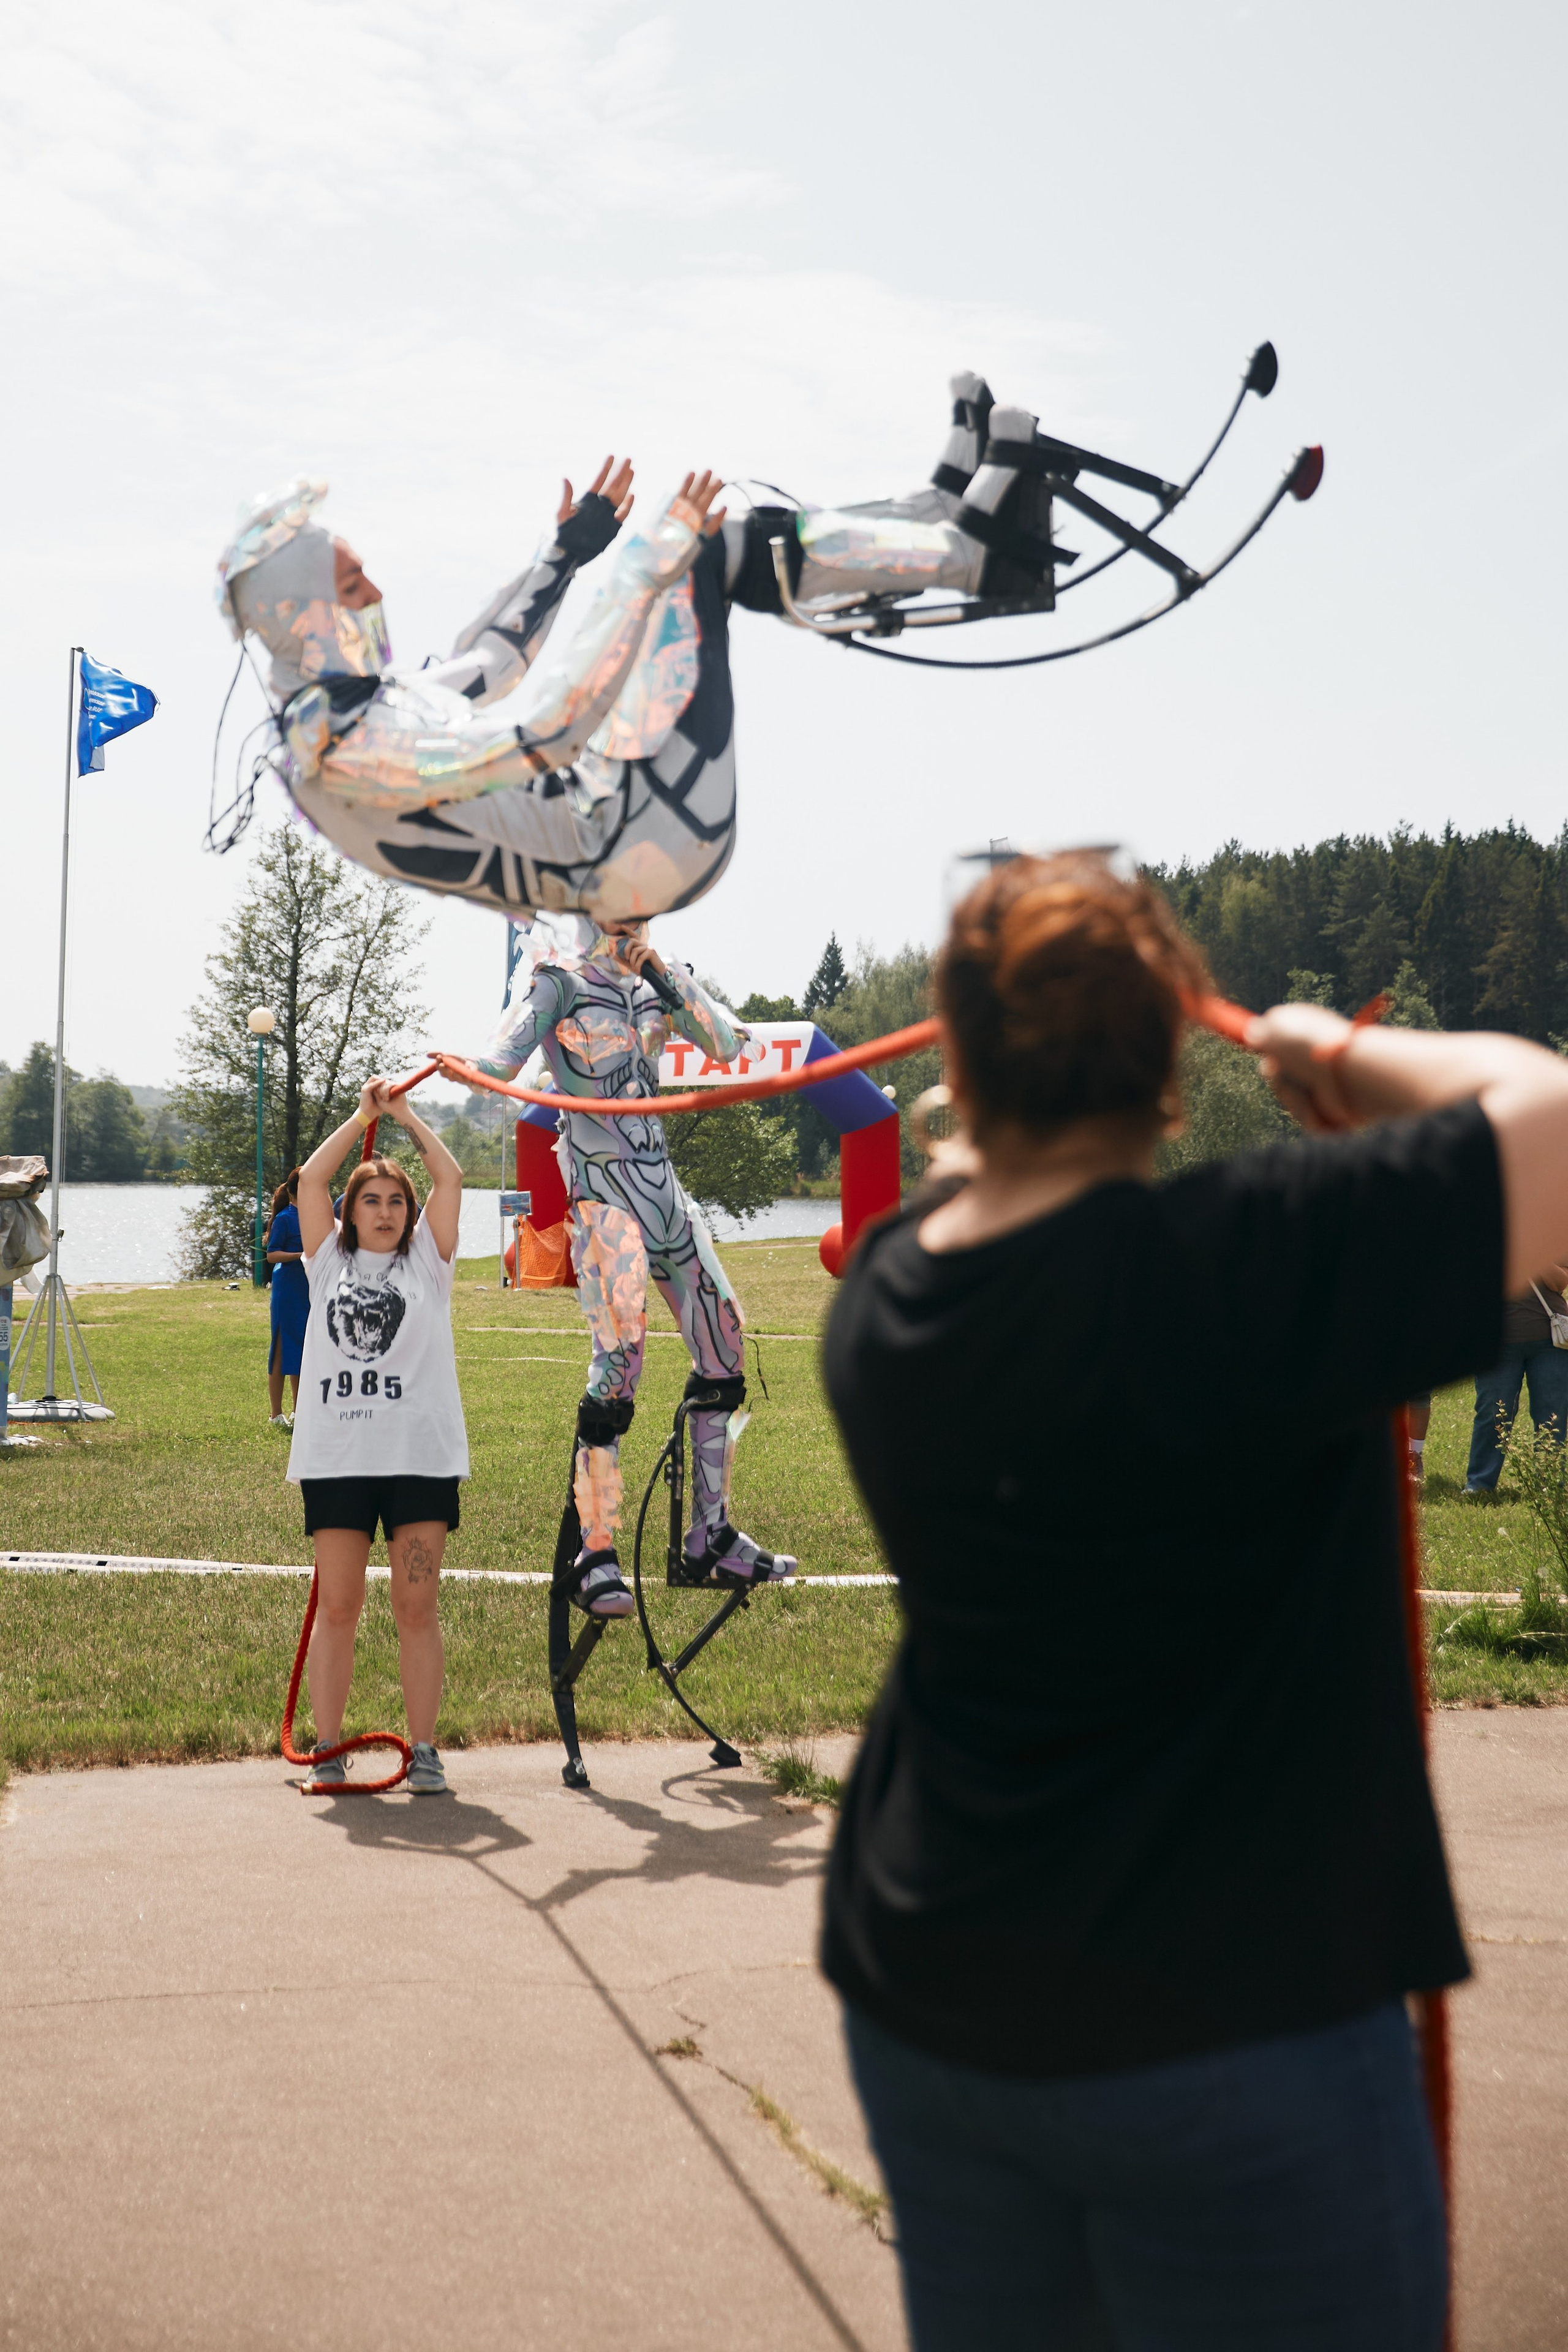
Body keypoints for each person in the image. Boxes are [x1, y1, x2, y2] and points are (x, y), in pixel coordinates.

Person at [820, 849, 1568, 2352]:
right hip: (1239, 2016)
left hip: (938, 1989)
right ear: (1167, 1064)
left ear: (960, 1067)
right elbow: (1542, 1112)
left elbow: (966, 1198)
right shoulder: (1255, 1257)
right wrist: (1329, 1047)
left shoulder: (883, 1304)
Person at [213, 377, 1058, 926]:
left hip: (625, 826)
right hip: (633, 846)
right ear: (303, 614)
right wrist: (638, 579)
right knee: (699, 552)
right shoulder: (347, 752)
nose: (376, 593)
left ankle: (931, 520)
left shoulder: (359, 710)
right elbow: (543, 734)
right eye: (353, 584)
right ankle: (973, 555)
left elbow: (494, 664)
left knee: (713, 541)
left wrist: (567, 553)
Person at [458, 912, 795, 1618]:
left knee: (725, 1345)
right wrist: (451, 1067)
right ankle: (595, 1550)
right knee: (618, 1367)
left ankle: (710, 1534)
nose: (629, 913)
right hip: (604, 1201)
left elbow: (728, 1045)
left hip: (666, 1194)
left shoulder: (658, 986)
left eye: (641, 903)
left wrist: (664, 976)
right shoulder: (557, 983)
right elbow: (496, 1063)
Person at [288, 1080, 467, 1795]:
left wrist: (404, 1118)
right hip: (340, 1463)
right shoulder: (324, 1262)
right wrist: (361, 1117)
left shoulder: (430, 1262)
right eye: (371, 1200)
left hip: (419, 1462)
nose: (386, 1212)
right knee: (339, 1608)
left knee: (415, 1608)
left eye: (396, 1201)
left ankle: (424, 1750)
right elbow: (309, 1178)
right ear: (349, 1213)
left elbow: (450, 1176)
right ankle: (327, 1748)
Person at [1463, 1262, 1568, 1493]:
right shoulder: (1482, 1231)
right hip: (1495, 1342)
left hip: (1551, 1342)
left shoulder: (1550, 1233)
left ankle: (1550, 1485)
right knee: (1492, 1411)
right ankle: (1480, 1484)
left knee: (1552, 1415)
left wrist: (1532, 1252)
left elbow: (1559, 1282)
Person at [265, 1166, 306, 1429]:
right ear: (294, 1191)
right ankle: (275, 1414)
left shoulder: (317, 1217)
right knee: (281, 1346)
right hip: (288, 1288)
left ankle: (299, 1409)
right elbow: (272, 1255)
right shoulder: (285, 1218)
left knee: (303, 1348)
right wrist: (300, 1255)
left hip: (308, 1289)